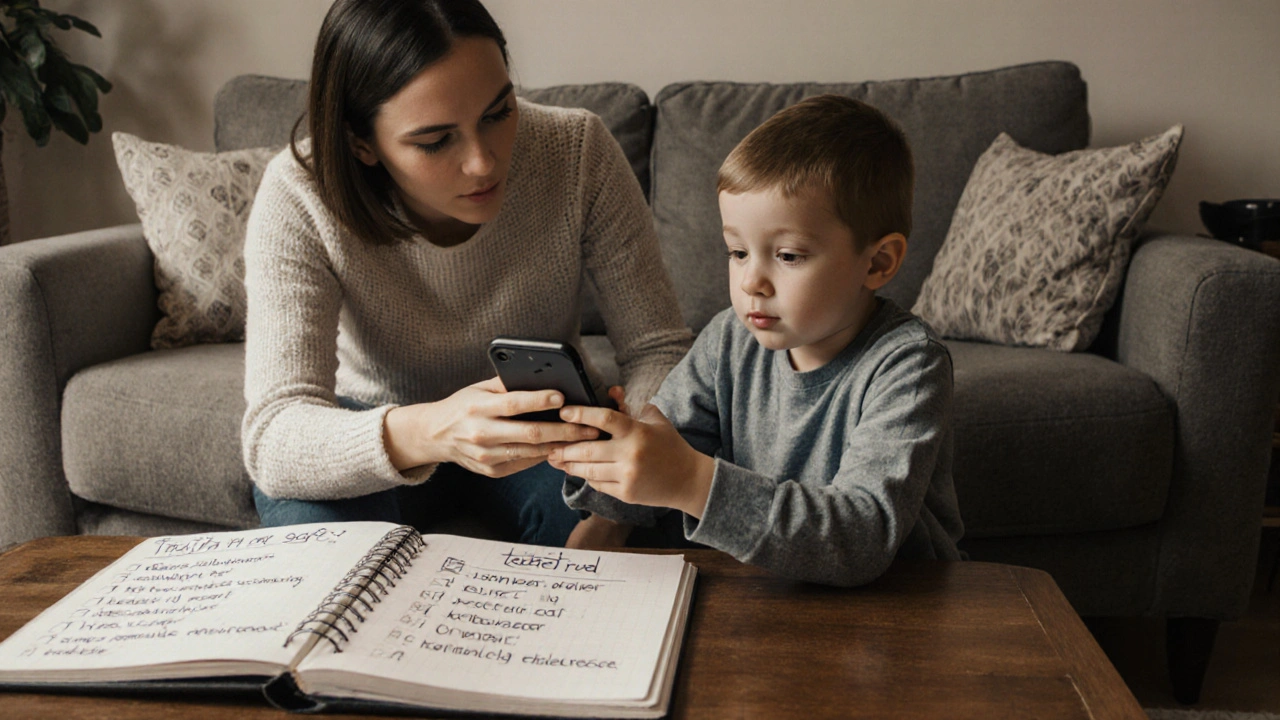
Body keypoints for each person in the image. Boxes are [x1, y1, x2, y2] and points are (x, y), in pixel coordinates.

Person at [241, 0, 692, 547]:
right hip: (380, 425)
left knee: (655, 516)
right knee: (308, 535)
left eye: (498, 113)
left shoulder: (576, 150)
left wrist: (615, 511)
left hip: (545, 425)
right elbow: (275, 436)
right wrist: (436, 430)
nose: (483, 162)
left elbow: (658, 348)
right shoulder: (300, 192)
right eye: (434, 141)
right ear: (361, 143)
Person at [551, 95, 964, 585]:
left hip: (897, 609)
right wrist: (605, 455)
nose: (751, 282)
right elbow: (665, 455)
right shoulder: (730, 337)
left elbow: (861, 538)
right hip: (764, 592)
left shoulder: (908, 365)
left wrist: (691, 481)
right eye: (738, 252)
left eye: (787, 256)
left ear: (876, 263)